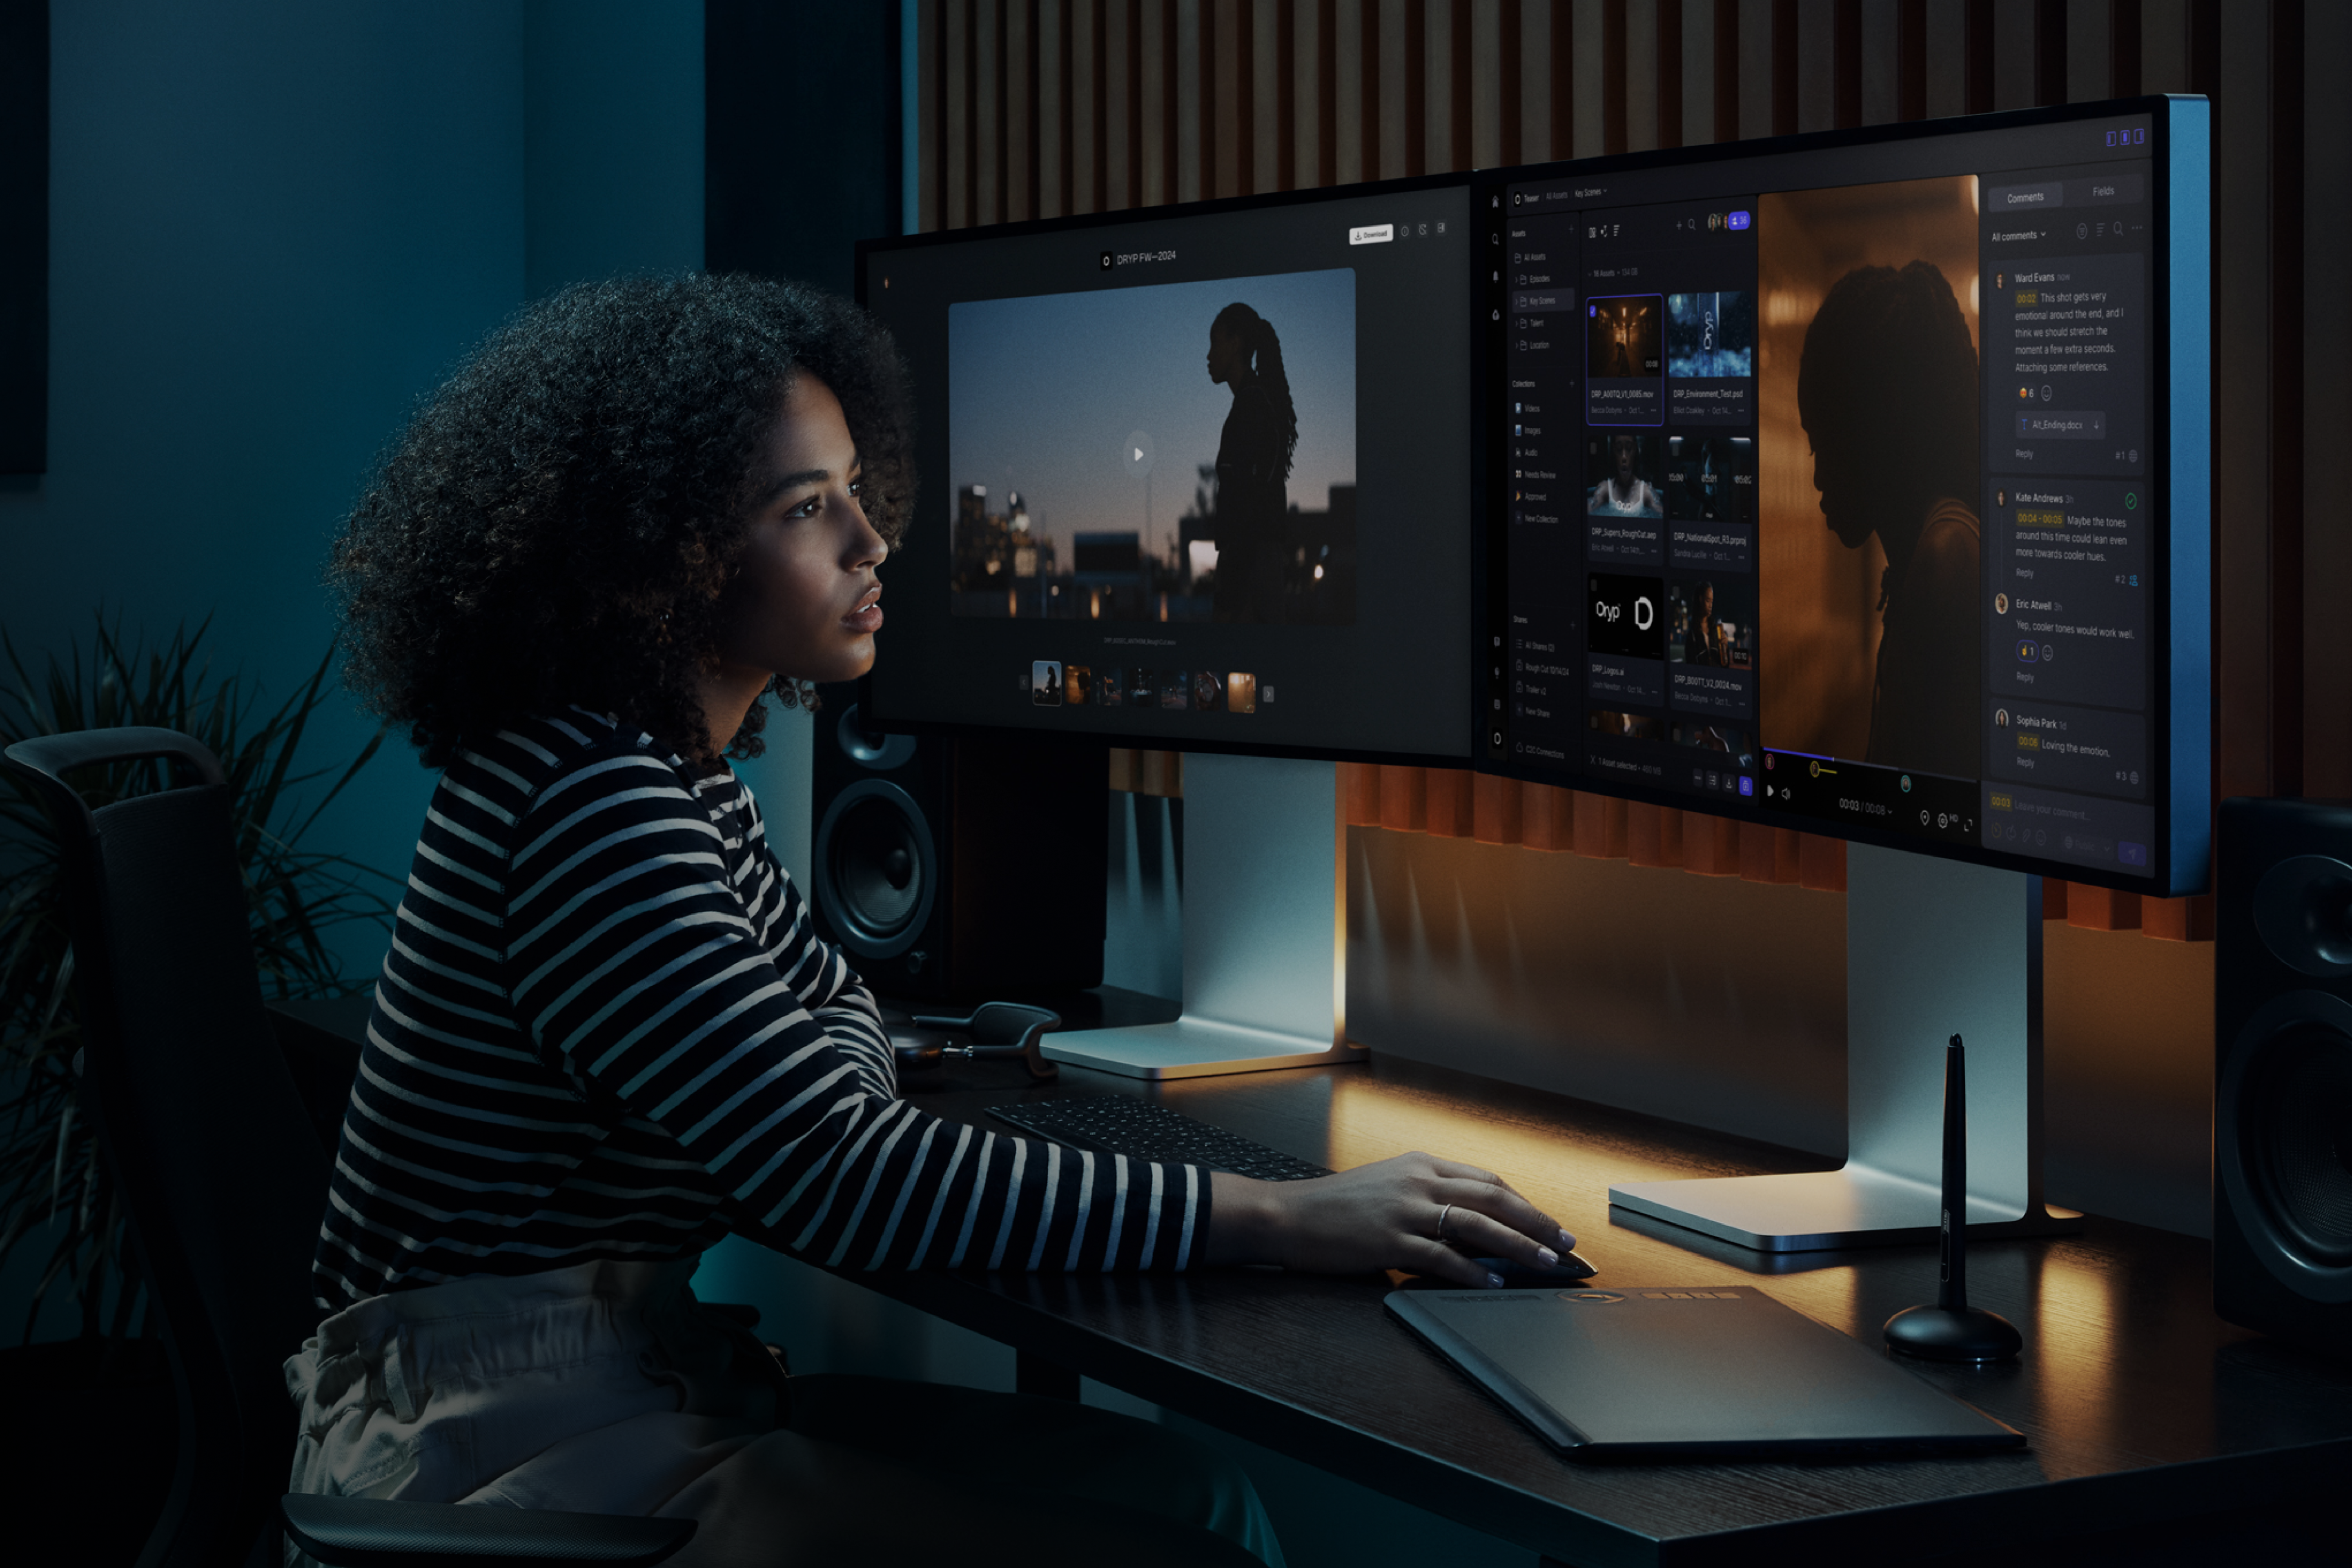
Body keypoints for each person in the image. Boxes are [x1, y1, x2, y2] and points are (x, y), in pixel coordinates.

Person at [299, 276, 1570, 1568]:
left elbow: (840, 1013)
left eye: (856, 486)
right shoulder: (593, 807)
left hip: (619, 1380)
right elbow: (843, 1177)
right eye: (807, 508)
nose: (872, 539)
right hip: (498, 1449)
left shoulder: (674, 776)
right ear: (656, 555)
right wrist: (1285, 1217)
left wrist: (827, 1084)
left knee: (1194, 1500)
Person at [1797, 260, 1982, 782]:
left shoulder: (1947, 560)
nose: (1817, 478)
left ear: (1874, 426)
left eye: (1824, 443)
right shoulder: (1931, 554)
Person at [1205, 302, 1296, 623]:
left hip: (1249, 572)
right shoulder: (1253, 404)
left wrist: (1230, 592)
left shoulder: (1252, 407)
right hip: (1252, 567)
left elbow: (1250, 504)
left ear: (1236, 343)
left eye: (1215, 342)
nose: (1209, 355)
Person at [1587, 433, 1664, 518]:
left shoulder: (1646, 492)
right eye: (1619, 449)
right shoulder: (1605, 489)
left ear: (1635, 450)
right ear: (1614, 451)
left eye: (1629, 449)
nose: (1624, 457)